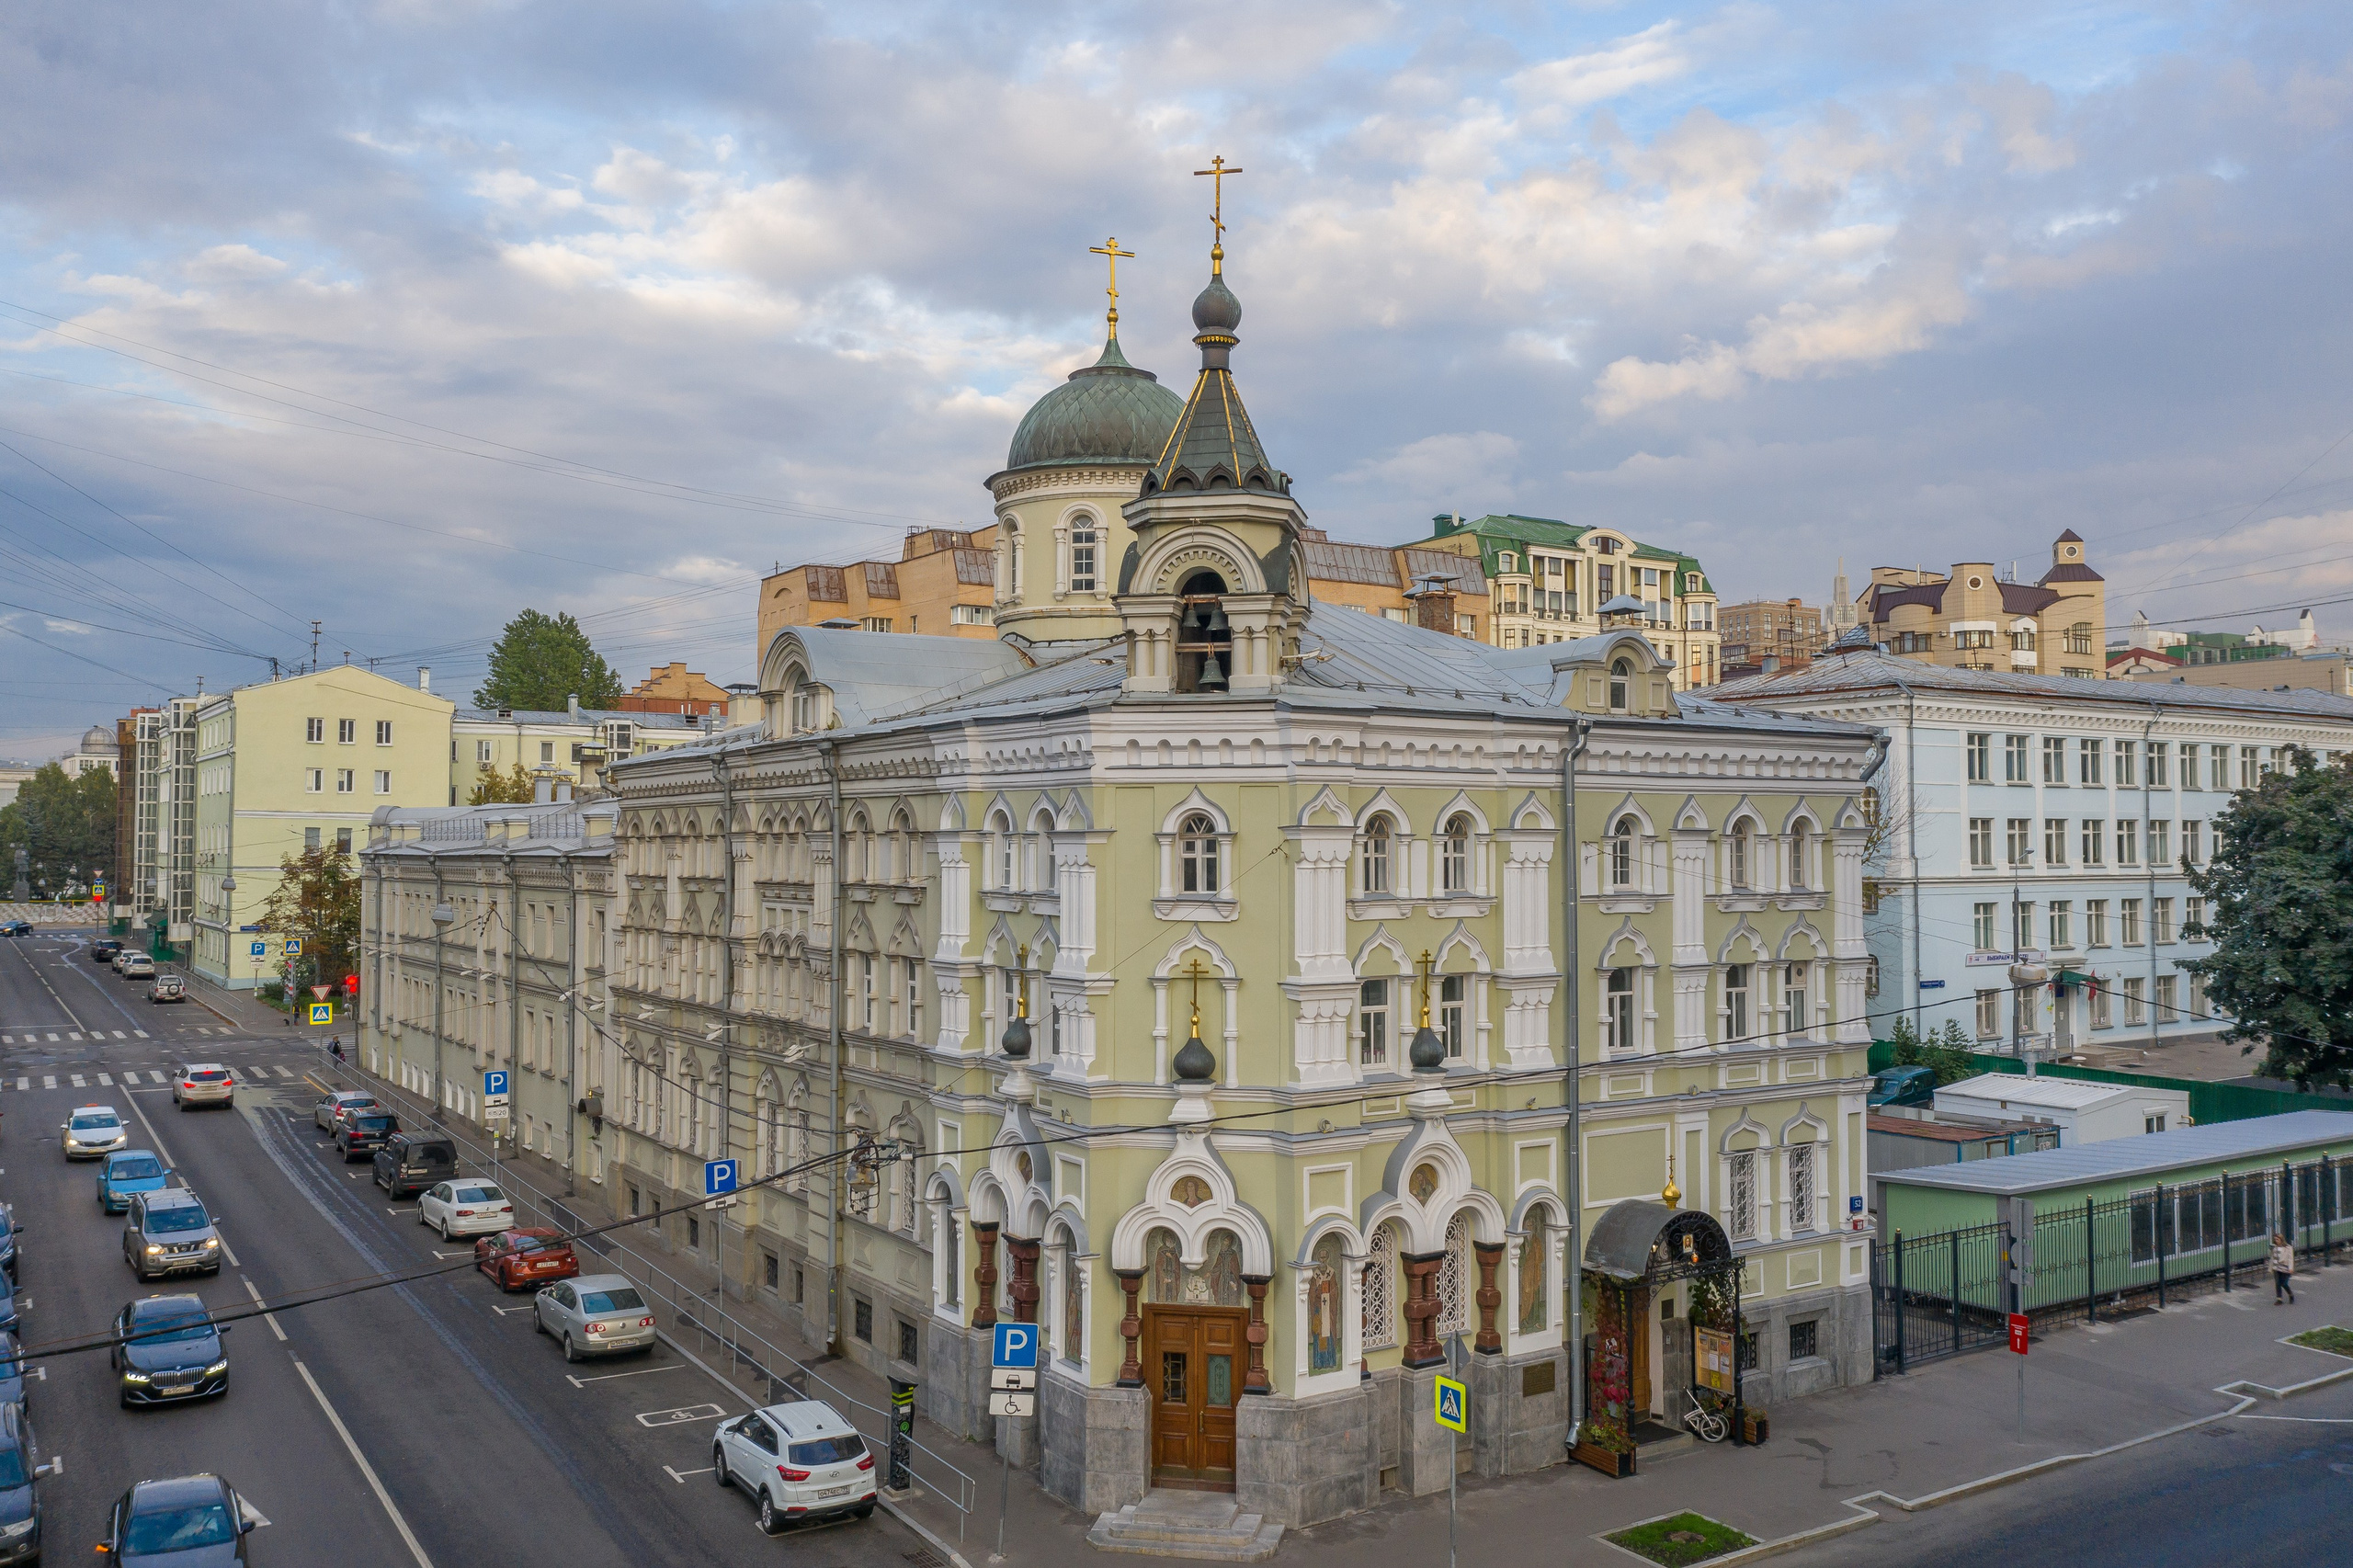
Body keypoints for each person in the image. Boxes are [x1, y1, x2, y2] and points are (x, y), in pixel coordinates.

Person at [2270, 1233, 2297, 1304]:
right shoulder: (2274, 1247)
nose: (2276, 1241)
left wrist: (2291, 1268)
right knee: (2277, 1283)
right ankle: (2279, 1299)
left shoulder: (2288, 1247)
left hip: (2285, 1268)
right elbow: (2272, 1258)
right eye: (2275, 1239)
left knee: (2284, 1283)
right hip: (2276, 1268)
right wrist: (2271, 1268)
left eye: (2277, 1239)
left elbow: (2291, 1259)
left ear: (2281, 1240)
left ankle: (2290, 1294)